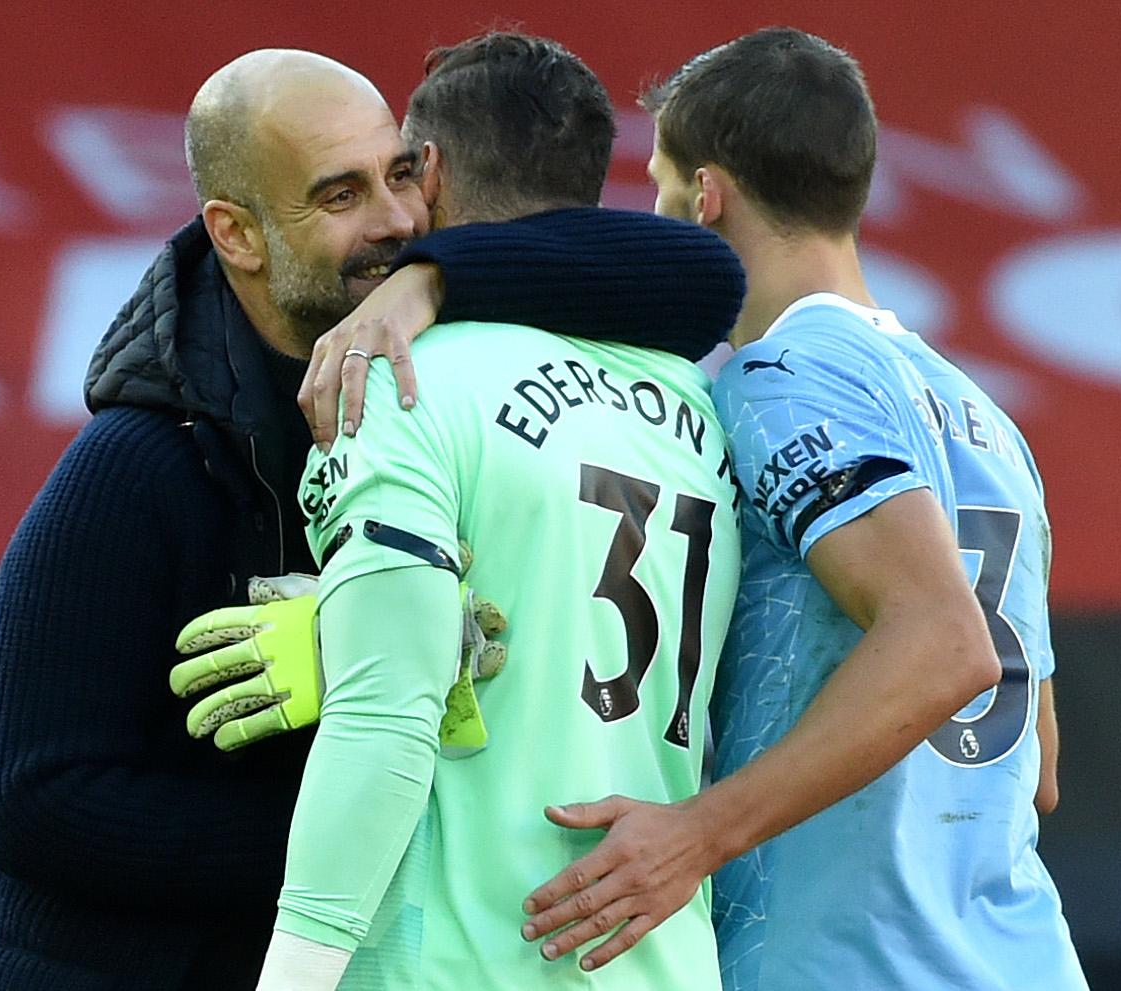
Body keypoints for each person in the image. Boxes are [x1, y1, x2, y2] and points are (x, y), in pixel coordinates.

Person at [0, 48, 744, 990]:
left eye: (401, 174)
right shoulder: (139, 465)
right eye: (340, 195)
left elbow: (699, 276)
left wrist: (434, 278)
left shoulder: (413, 356)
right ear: (236, 233)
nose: (397, 221)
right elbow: (32, 806)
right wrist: (371, 823)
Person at [517, 28, 1088, 990]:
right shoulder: (985, 415)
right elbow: (1037, 766)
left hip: (853, 965)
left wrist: (695, 834)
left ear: (706, 195)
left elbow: (949, 645)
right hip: (1018, 957)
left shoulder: (783, 377)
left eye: (660, 185)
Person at [255, 34, 742, 991]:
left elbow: (384, 718)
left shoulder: (394, 376)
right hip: (659, 960)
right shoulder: (695, 403)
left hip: (465, 961)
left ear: (427, 169)